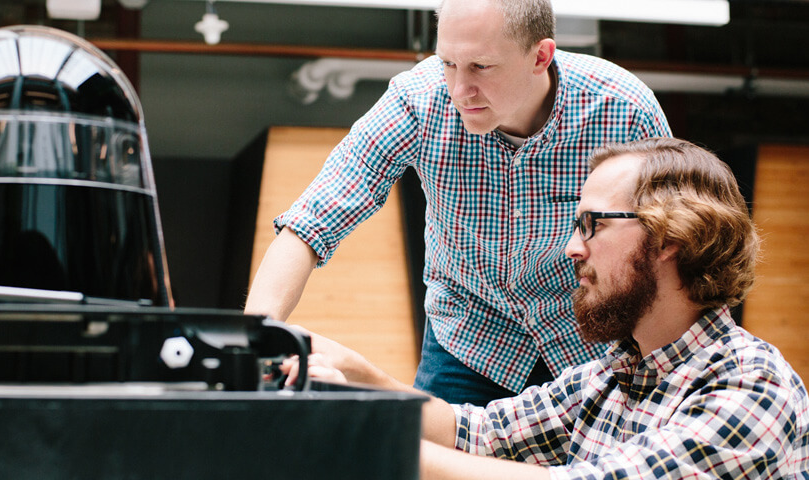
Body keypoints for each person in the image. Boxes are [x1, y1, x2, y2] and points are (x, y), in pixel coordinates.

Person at [286, 137, 809, 479]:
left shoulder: (752, 386)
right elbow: (474, 431)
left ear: (670, 235)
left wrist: (364, 437)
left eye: (593, 225)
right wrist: (353, 376)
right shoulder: (613, 375)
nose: (572, 248)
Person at [244, 0, 672, 406]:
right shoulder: (417, 100)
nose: (459, 89)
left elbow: (673, 247)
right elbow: (312, 221)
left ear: (541, 56)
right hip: (470, 336)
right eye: (447, 63)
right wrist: (254, 338)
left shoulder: (623, 109)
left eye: (481, 67)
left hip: (588, 334)